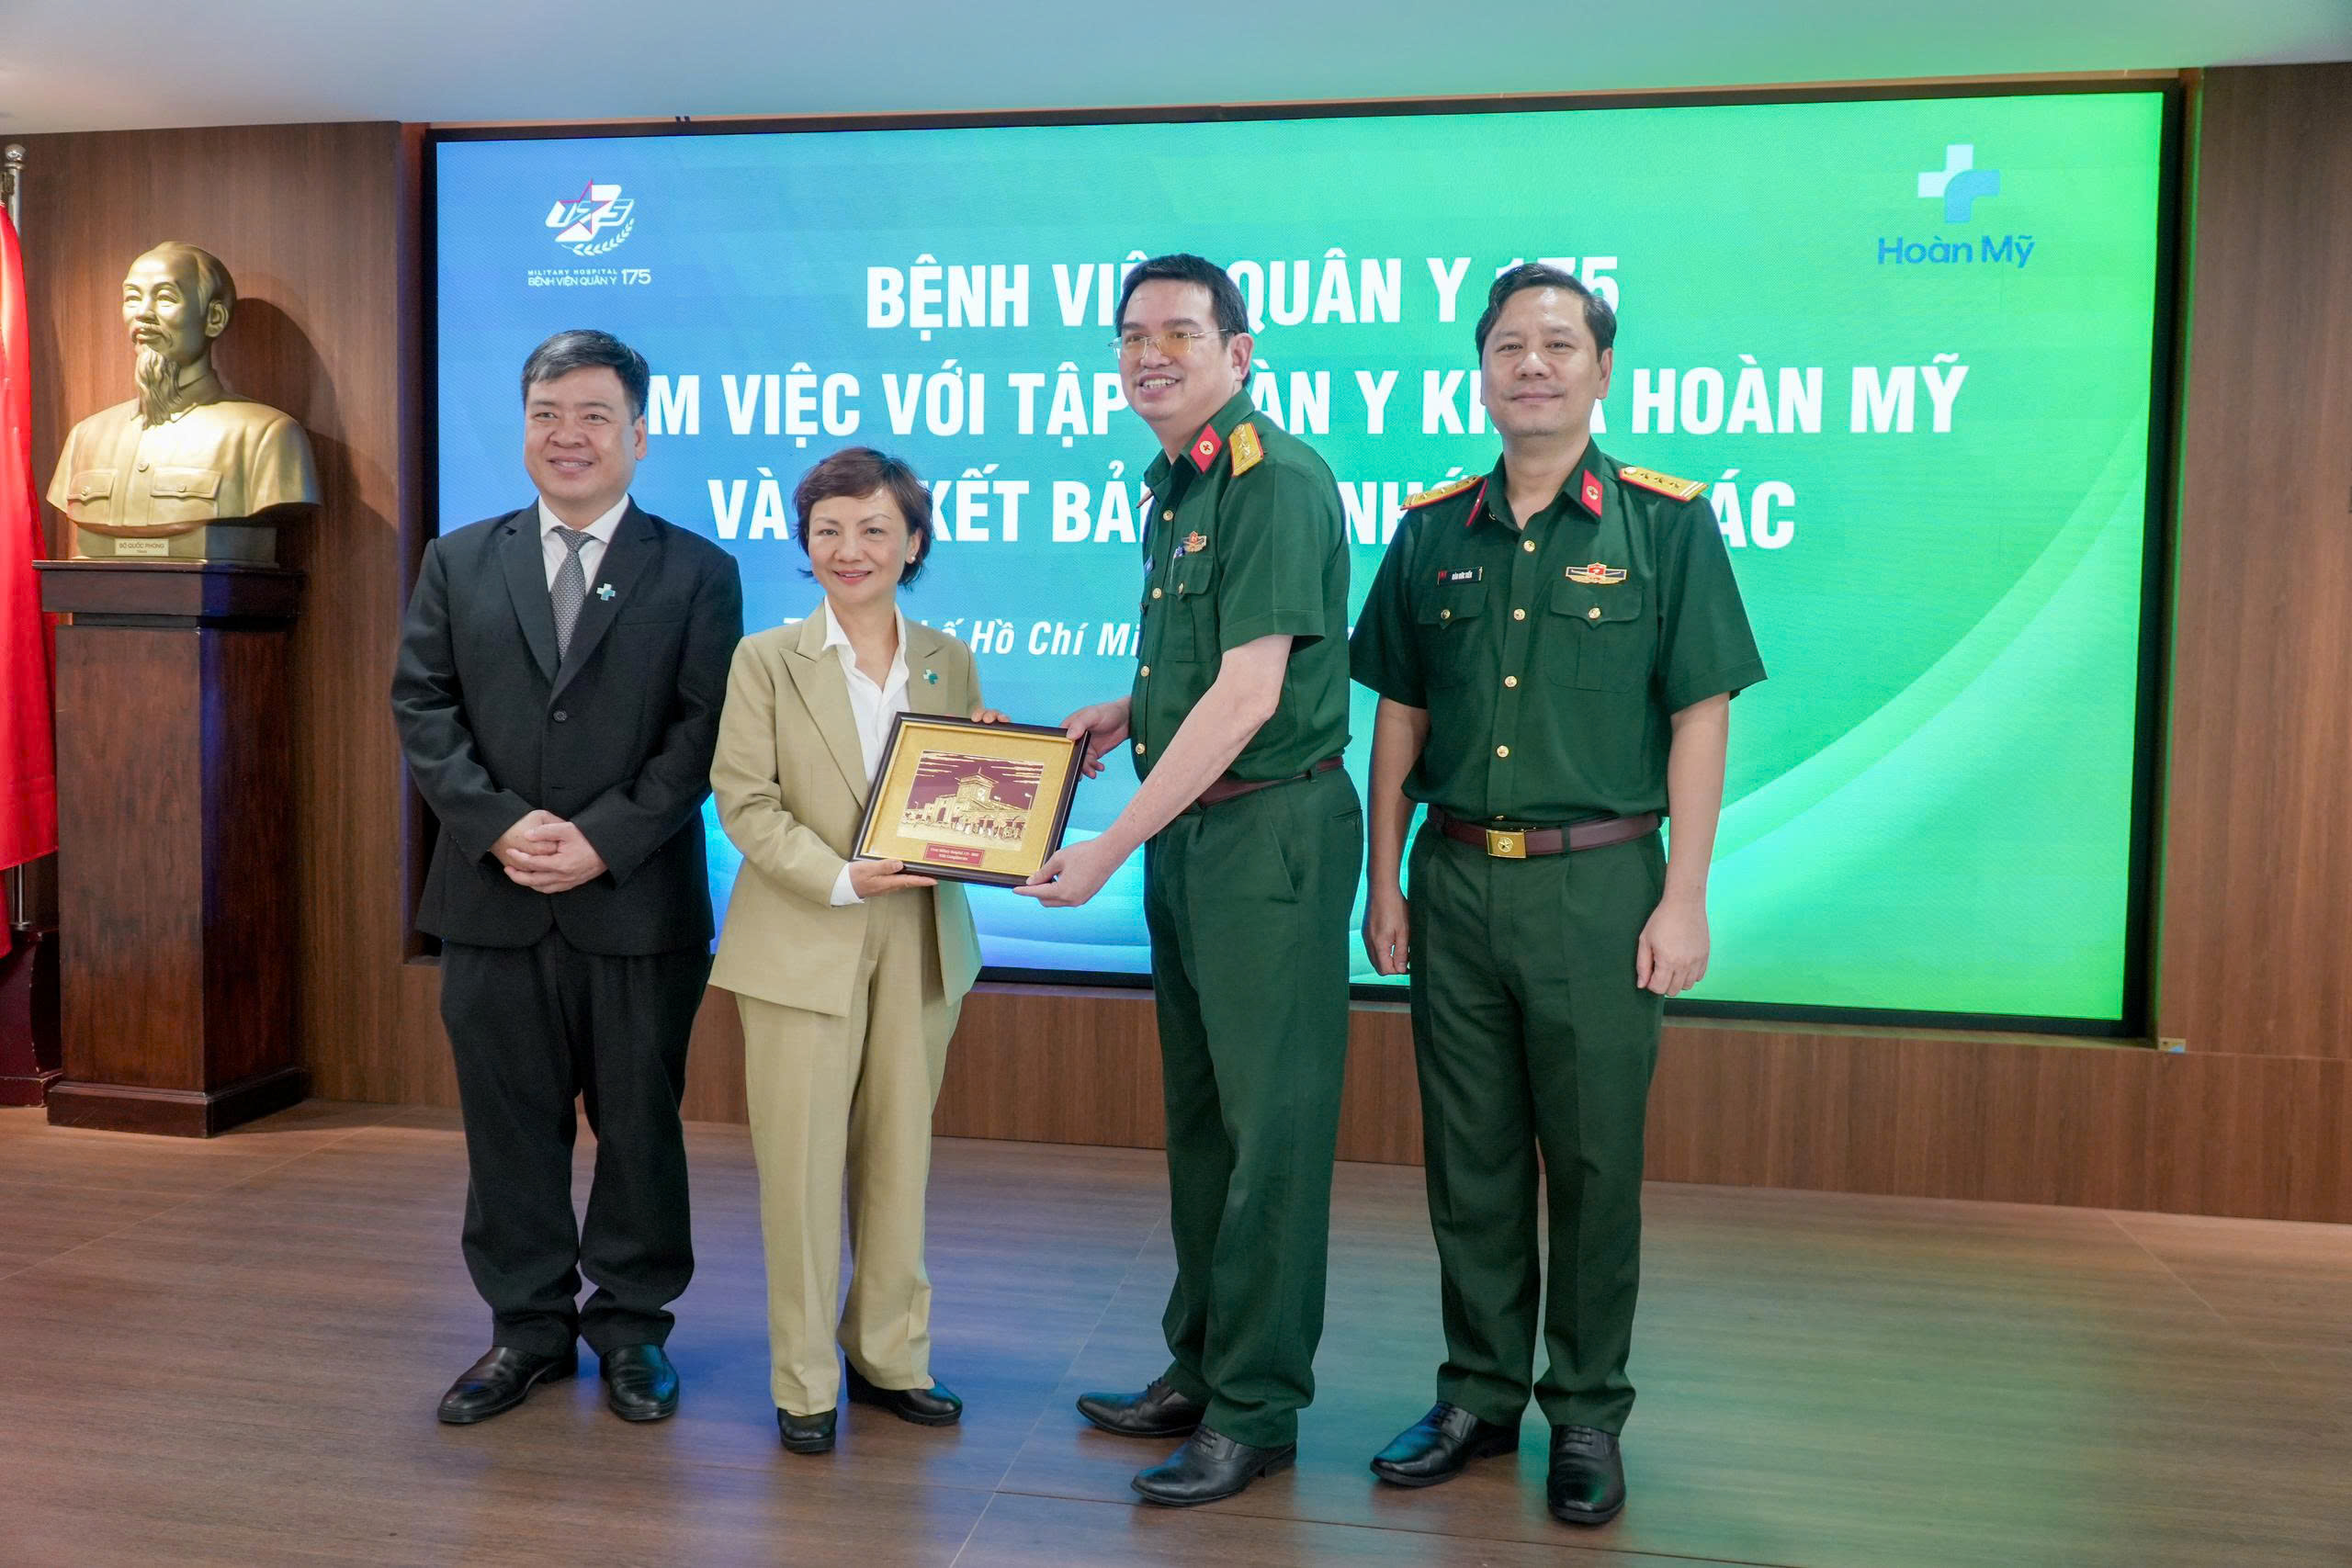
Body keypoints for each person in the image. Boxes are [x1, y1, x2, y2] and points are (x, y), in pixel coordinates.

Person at [1348, 264, 1766, 1526]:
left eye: (1559, 344)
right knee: (1468, 1158)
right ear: (1481, 371)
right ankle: (1477, 1394)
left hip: (1599, 885)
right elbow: (1399, 715)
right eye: (1509, 347)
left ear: (1601, 369)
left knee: (1591, 1161)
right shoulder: (1430, 530)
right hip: (1454, 879)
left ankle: (1585, 1409)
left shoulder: (1665, 524)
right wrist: (1382, 879)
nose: (1532, 365)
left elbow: (1700, 714)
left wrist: (1685, 895)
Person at [1012, 254, 1360, 1506]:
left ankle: (1257, 1408)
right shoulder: (1176, 483)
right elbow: (1214, 663)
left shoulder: (1275, 479)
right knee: (1205, 1120)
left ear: (1238, 352)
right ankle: (1202, 1366)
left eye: (1177, 332)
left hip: (1268, 833)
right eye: (1130, 336)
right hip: (1200, 834)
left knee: (1273, 1132)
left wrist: (1107, 844)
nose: (1148, 354)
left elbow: (1253, 695)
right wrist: (1133, 707)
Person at [391, 328, 742, 1427]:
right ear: (523, 429)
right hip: (490, 898)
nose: (568, 435)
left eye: (594, 414)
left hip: (635, 902)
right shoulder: (458, 559)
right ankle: (526, 1330)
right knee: (507, 1129)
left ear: (640, 434)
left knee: (640, 1128)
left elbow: (701, 733)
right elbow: (422, 707)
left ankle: (633, 1331)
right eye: (547, 414)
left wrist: (605, 839)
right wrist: (498, 826)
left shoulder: (698, 570)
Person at [707, 446, 1001, 1456]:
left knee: (898, 1159)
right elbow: (745, 801)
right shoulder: (764, 659)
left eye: (874, 529)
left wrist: (994, 765)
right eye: (828, 529)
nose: (850, 548)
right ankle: (803, 1379)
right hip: (803, 932)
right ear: (805, 542)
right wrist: (840, 877)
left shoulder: (949, 658)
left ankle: (889, 1356)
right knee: (798, 1172)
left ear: (913, 542)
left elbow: (965, 796)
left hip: (921, 940)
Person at [47, 242, 318, 558]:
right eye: (132, 297)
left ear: (214, 318)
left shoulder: (267, 437)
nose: (142, 313)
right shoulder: (85, 438)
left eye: (165, 297)